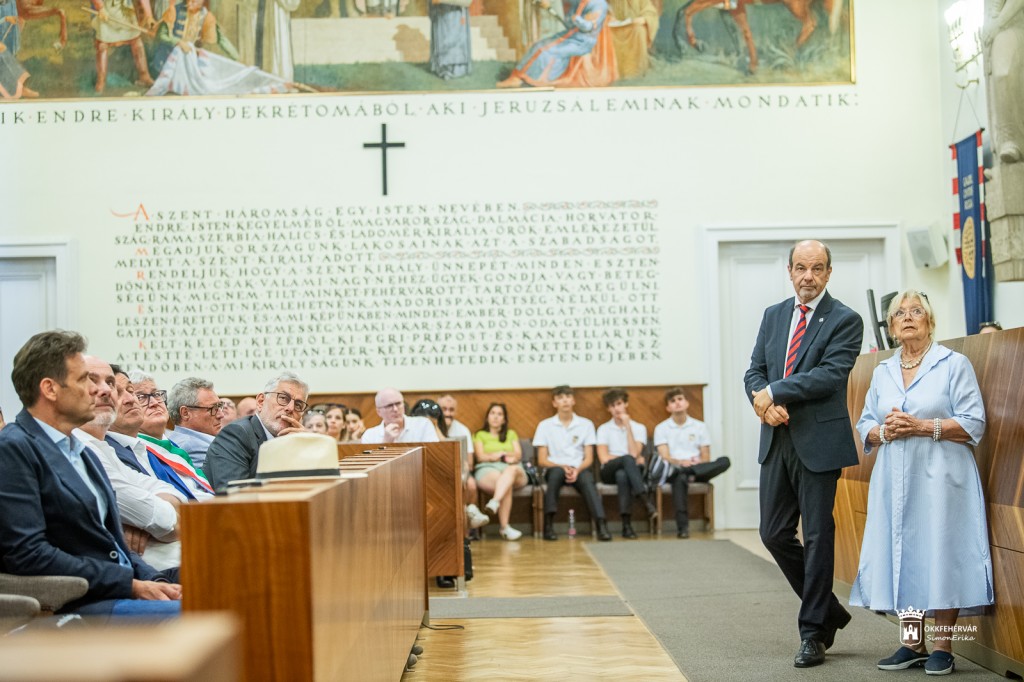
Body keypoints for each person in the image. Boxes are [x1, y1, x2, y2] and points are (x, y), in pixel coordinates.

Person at [851, 290, 992, 675]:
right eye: (900, 313)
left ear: (930, 321)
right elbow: (866, 423)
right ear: (892, 327)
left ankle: (943, 645)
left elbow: (973, 423)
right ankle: (912, 642)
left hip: (944, 477)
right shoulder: (882, 371)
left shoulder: (953, 364)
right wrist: (884, 431)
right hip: (893, 478)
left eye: (916, 311)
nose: (908, 317)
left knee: (942, 552)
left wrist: (921, 426)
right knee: (903, 552)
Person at [0, 330, 181, 619]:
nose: (104, 391)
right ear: (50, 389)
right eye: (85, 380)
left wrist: (155, 581)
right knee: (207, 615)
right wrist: (131, 585)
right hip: (78, 602)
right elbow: (29, 554)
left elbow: (112, 545)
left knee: (232, 580)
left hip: (122, 584)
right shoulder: (14, 448)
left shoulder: (80, 450)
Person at [743, 239, 863, 668]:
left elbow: (830, 375)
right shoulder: (773, 315)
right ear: (790, 271)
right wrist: (763, 401)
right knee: (773, 533)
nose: (807, 276)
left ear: (828, 272)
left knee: (817, 536)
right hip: (776, 439)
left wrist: (775, 392)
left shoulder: (845, 319)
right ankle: (828, 611)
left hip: (819, 443)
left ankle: (813, 633)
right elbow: (755, 370)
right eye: (800, 268)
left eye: (816, 268)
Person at [75, 357, 184, 571]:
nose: (106, 391)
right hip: (146, 571)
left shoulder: (104, 448)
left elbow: (175, 495)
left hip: (169, 561)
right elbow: (164, 521)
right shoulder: (81, 448)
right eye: (92, 382)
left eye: (110, 383)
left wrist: (143, 520)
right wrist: (149, 520)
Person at [203, 371, 310, 488]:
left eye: (298, 405)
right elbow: (234, 493)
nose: (290, 408)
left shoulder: (297, 443)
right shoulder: (236, 434)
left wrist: (309, 449)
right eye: (283, 398)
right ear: (260, 402)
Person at [534, 385, 612, 541]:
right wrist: (562, 467)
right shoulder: (545, 425)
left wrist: (577, 470)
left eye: (568, 397)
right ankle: (548, 525)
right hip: (555, 467)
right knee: (555, 475)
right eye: (560, 398)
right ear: (554, 403)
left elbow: (589, 458)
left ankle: (601, 524)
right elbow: (542, 460)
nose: (565, 401)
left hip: (579, 468)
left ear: (573, 401)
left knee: (588, 480)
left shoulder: (586, 424)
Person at [652, 387, 731, 538]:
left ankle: (689, 473)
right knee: (680, 477)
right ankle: (683, 528)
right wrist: (681, 462)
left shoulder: (700, 427)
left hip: (698, 469)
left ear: (687, 403)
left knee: (724, 461)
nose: (677, 403)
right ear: (668, 407)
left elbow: (706, 458)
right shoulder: (661, 428)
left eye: (680, 399)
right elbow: (665, 457)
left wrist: (697, 463)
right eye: (673, 401)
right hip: (674, 470)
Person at [497, 0, 617, 88]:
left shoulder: (599, 4)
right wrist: (550, 9)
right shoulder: (579, 2)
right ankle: (517, 76)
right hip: (571, 35)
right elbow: (569, 24)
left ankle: (531, 79)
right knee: (538, 45)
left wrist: (577, 19)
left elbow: (588, 27)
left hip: (583, 42)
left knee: (547, 51)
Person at [595, 387, 656, 538]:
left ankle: (626, 526)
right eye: (612, 405)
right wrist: (625, 458)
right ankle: (645, 500)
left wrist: (628, 427)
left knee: (622, 475)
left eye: (619, 404)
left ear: (626, 404)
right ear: (608, 409)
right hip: (608, 471)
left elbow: (635, 452)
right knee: (627, 460)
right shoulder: (603, 429)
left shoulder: (638, 428)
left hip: (630, 471)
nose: (616, 409)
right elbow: (604, 458)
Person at [473, 403, 527, 540]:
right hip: (488, 469)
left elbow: (518, 454)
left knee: (510, 472)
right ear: (487, 417)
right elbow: (480, 456)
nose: (496, 417)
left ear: (504, 419)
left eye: (499, 414)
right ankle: (504, 528)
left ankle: (495, 501)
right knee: (504, 484)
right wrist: (496, 456)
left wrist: (500, 454)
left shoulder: (511, 434)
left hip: (513, 469)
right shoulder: (480, 435)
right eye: (492, 413)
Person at [166, 376, 225, 469]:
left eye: (220, 406)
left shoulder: (178, 440)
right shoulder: (193, 447)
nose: (221, 415)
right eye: (213, 408)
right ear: (185, 413)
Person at [362, 388, 439, 444]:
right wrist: (386, 442)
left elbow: (433, 455)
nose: (395, 409)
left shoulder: (423, 425)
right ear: (379, 412)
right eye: (389, 406)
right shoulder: (370, 435)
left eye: (398, 403)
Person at [607, 0, 658, 79]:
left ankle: (635, 71)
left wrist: (643, 19)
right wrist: (609, 18)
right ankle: (614, 72)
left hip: (633, 28)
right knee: (607, 34)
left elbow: (650, 12)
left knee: (639, 30)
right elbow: (601, 9)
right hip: (615, 29)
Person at [429, 0, 471, 80]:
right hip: (442, 12)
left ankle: (457, 68)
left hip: (457, 12)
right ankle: (444, 68)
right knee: (443, 36)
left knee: (456, 38)